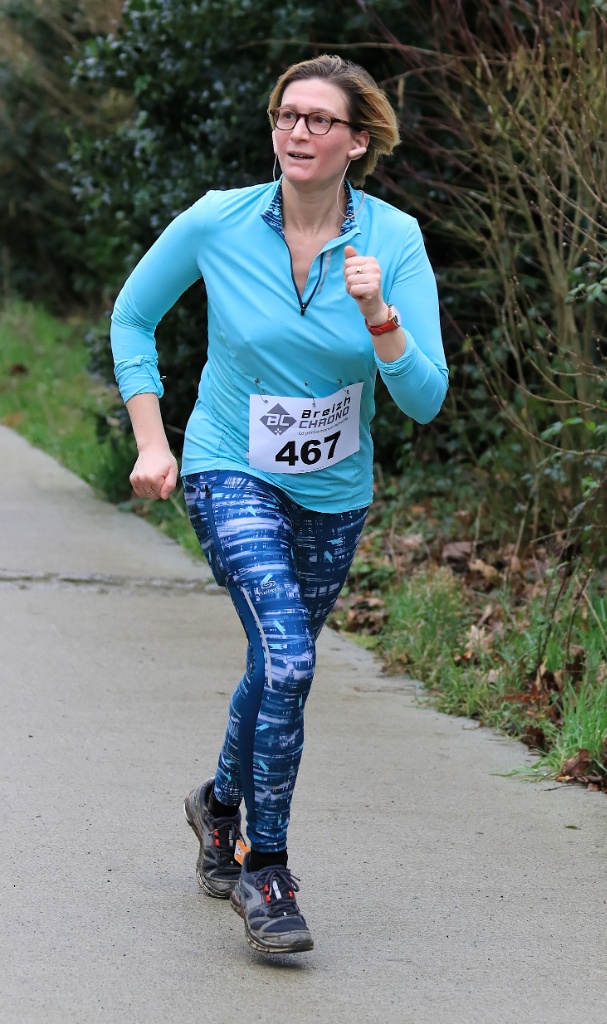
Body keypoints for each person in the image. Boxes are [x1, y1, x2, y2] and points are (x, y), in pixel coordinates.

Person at [110, 53, 448, 955]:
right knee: (292, 661)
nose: (297, 131)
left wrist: (380, 317)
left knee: (273, 665)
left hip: (333, 495)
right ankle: (266, 870)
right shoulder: (217, 221)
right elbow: (132, 318)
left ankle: (217, 804)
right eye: (286, 115)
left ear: (357, 141)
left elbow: (424, 399)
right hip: (230, 468)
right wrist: (153, 440)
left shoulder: (393, 242)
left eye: (318, 120)